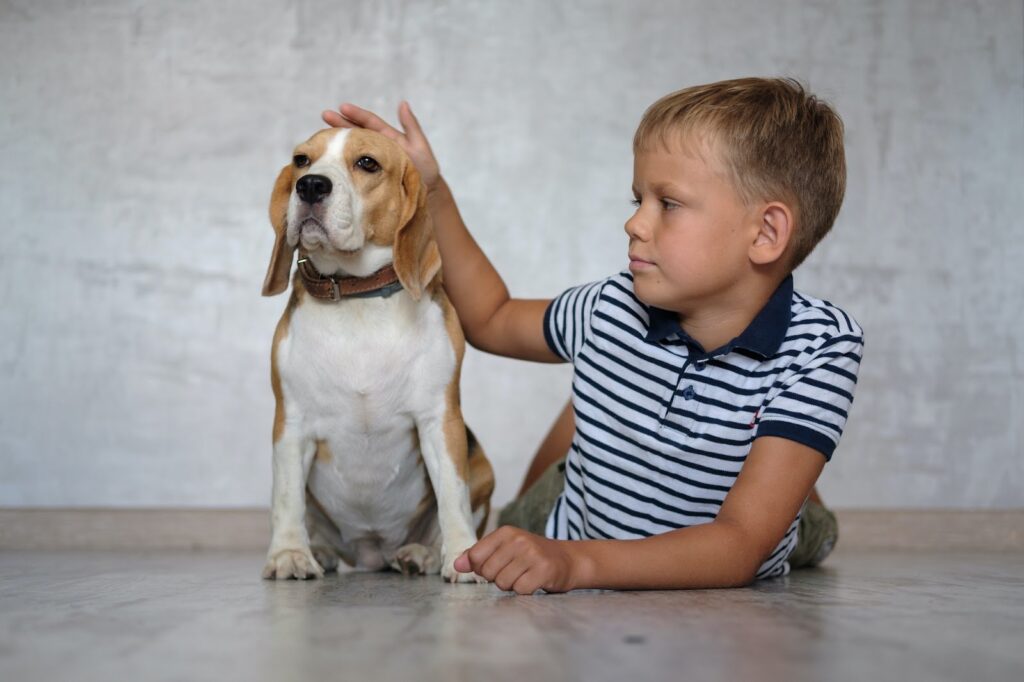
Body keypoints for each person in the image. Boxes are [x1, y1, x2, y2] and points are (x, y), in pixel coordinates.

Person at [322, 77, 864, 594]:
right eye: (638, 201)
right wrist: (433, 191)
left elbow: (741, 545)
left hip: (692, 534)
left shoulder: (821, 347)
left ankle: (792, 476)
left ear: (766, 233)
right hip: (576, 511)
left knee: (807, 529)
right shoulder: (613, 304)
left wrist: (575, 563)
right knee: (520, 525)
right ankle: (606, 422)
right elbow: (491, 318)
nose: (635, 223)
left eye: (667, 204)